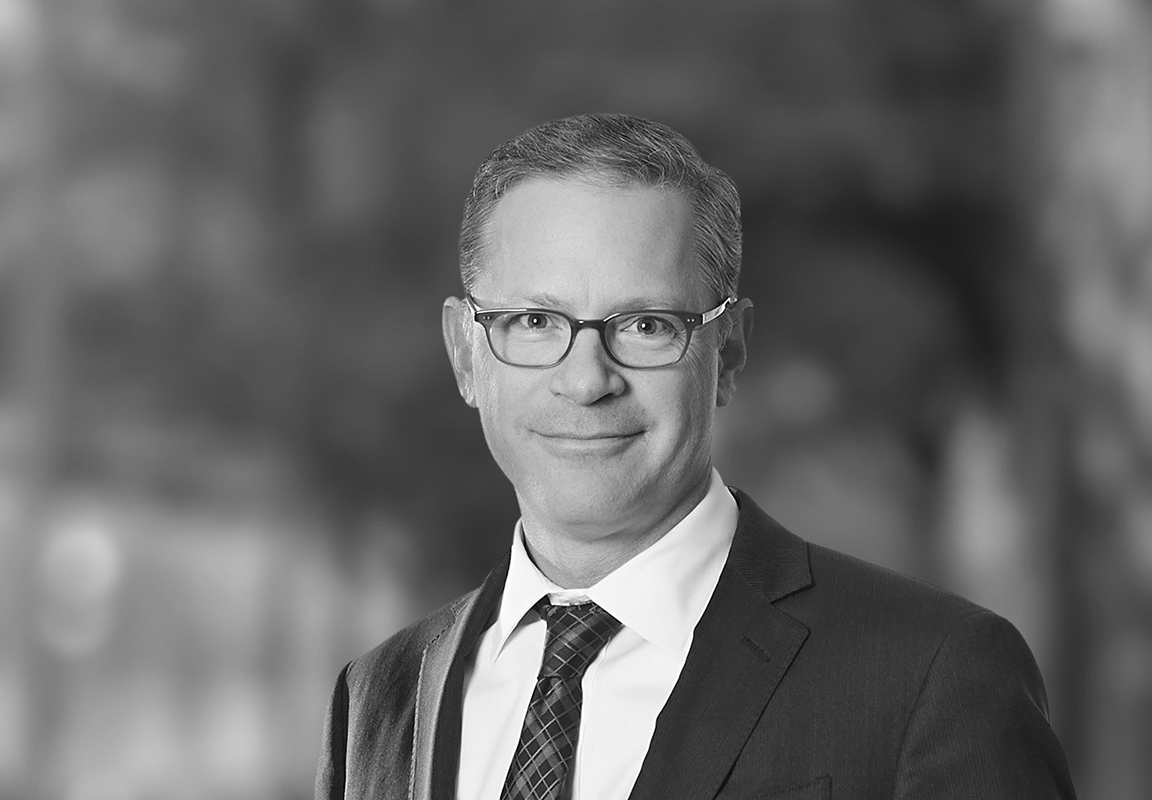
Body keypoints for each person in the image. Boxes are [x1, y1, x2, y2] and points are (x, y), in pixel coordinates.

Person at [315, 113, 1076, 800]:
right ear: (465, 353)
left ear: (729, 351)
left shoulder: (930, 675)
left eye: (646, 325)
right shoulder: (378, 699)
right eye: (535, 322)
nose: (586, 381)